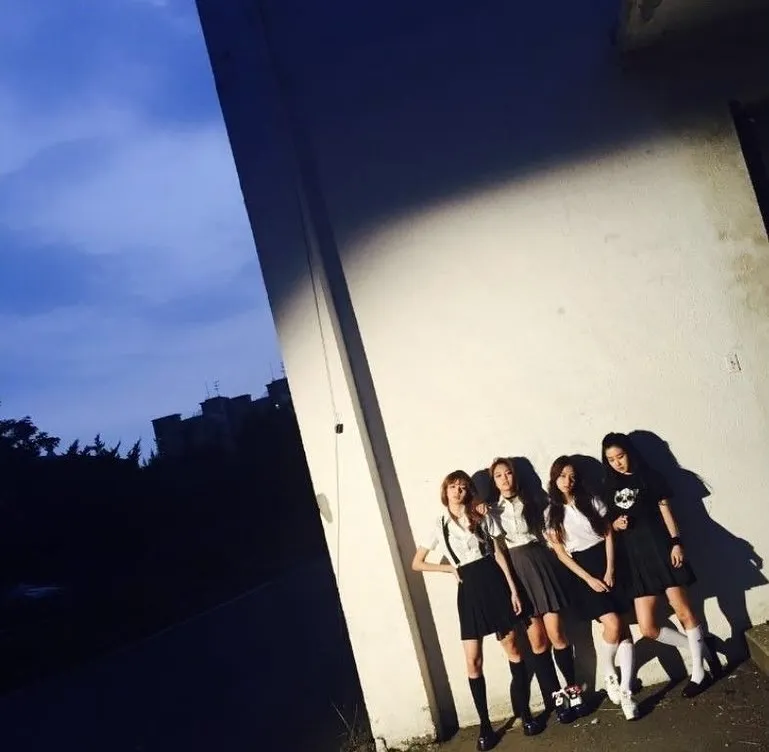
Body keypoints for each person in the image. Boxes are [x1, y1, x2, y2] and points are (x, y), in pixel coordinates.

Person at [412, 470, 541, 751]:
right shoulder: (438, 524)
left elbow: (499, 553)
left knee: (513, 647)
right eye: (453, 487)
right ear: (445, 492)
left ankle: (526, 713)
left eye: (463, 486)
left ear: (468, 491)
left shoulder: (481, 515)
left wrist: (513, 589)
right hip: (469, 589)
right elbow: (417, 563)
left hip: (493, 581)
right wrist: (449, 568)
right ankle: (485, 726)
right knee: (473, 660)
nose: (458, 491)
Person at [601, 432, 717, 698]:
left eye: (620, 456)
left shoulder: (650, 477)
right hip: (636, 560)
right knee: (647, 627)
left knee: (684, 610)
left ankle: (699, 672)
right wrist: (616, 525)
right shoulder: (608, 487)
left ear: (630, 452)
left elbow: (667, 512)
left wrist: (676, 542)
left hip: (661, 549)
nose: (617, 463)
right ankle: (702, 648)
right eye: (611, 459)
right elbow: (608, 525)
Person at [486, 457, 582, 723]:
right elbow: (498, 551)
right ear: (493, 481)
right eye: (498, 476)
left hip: (541, 566)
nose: (505, 479)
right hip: (516, 573)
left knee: (557, 634)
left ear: (515, 476)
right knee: (537, 641)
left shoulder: (534, 501)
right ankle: (556, 699)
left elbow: (551, 532)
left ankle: (573, 691)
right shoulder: (492, 511)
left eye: (508, 473)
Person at [544, 456, 638, 720]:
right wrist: (588, 579)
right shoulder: (551, 514)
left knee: (624, 630)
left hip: (607, 562)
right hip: (582, 570)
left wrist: (610, 569)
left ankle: (627, 692)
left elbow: (608, 534)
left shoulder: (592, 501)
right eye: (562, 476)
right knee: (613, 625)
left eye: (572, 476)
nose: (567, 481)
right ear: (554, 478)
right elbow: (561, 554)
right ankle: (608, 670)